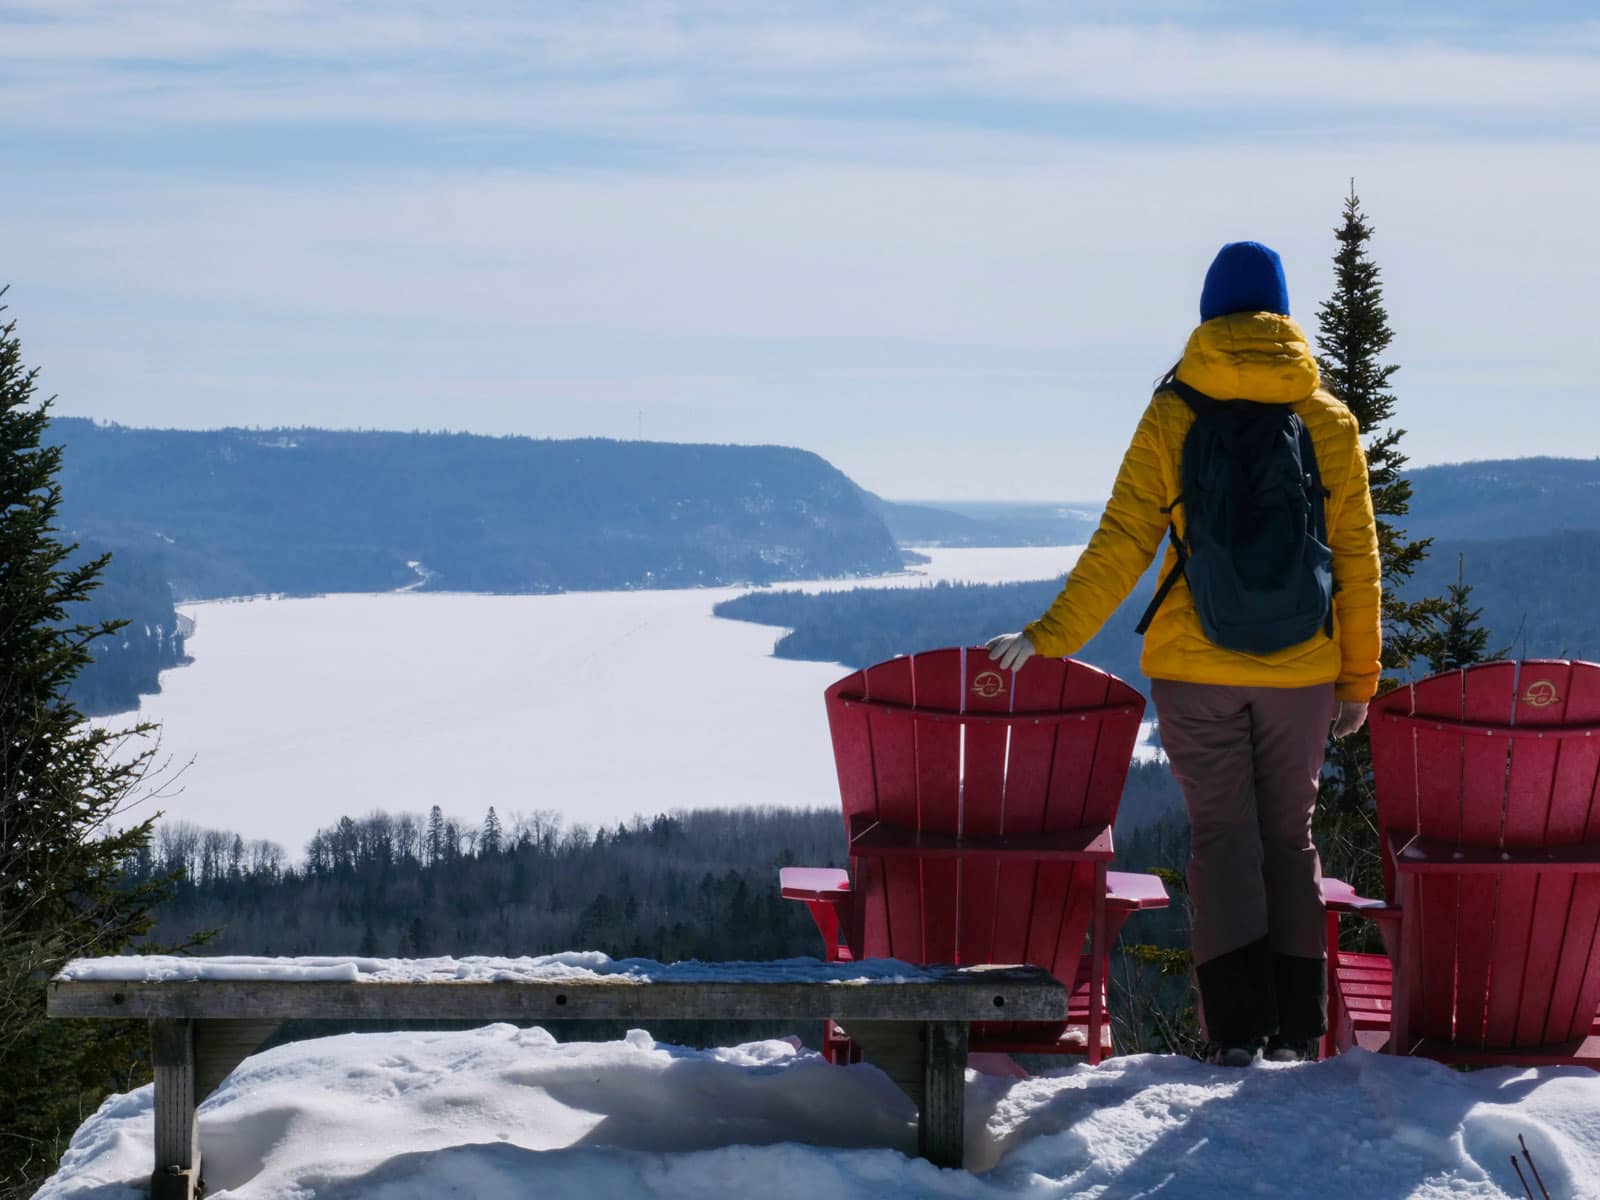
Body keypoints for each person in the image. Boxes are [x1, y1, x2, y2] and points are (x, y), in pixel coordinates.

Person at [986, 241, 1381, 1066]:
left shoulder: (1173, 412)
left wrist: (1048, 634)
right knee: (1290, 840)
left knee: (1223, 840)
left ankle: (1235, 1034)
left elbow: (1123, 541)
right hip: (1304, 668)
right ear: (1280, 312)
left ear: (1208, 312)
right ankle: (1299, 1029)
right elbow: (1355, 561)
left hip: (1195, 668)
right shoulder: (1327, 418)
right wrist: (1359, 681)